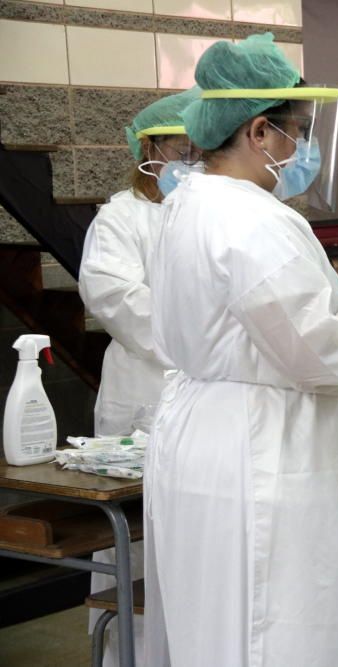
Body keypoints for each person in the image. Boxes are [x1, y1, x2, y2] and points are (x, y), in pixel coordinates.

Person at [142, 34, 338, 666]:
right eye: (300, 130)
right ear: (260, 132)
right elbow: (325, 355)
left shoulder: (189, 204)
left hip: (202, 440)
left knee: (210, 627)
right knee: (272, 630)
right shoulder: (255, 221)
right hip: (259, 449)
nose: (306, 148)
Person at [77, 87, 201, 667]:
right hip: (143, 397)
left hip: (203, 398)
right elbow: (114, 297)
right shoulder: (120, 218)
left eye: (201, 149)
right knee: (136, 553)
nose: (192, 161)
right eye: (181, 148)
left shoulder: (206, 211)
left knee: (193, 554)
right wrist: (201, 328)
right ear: (149, 148)